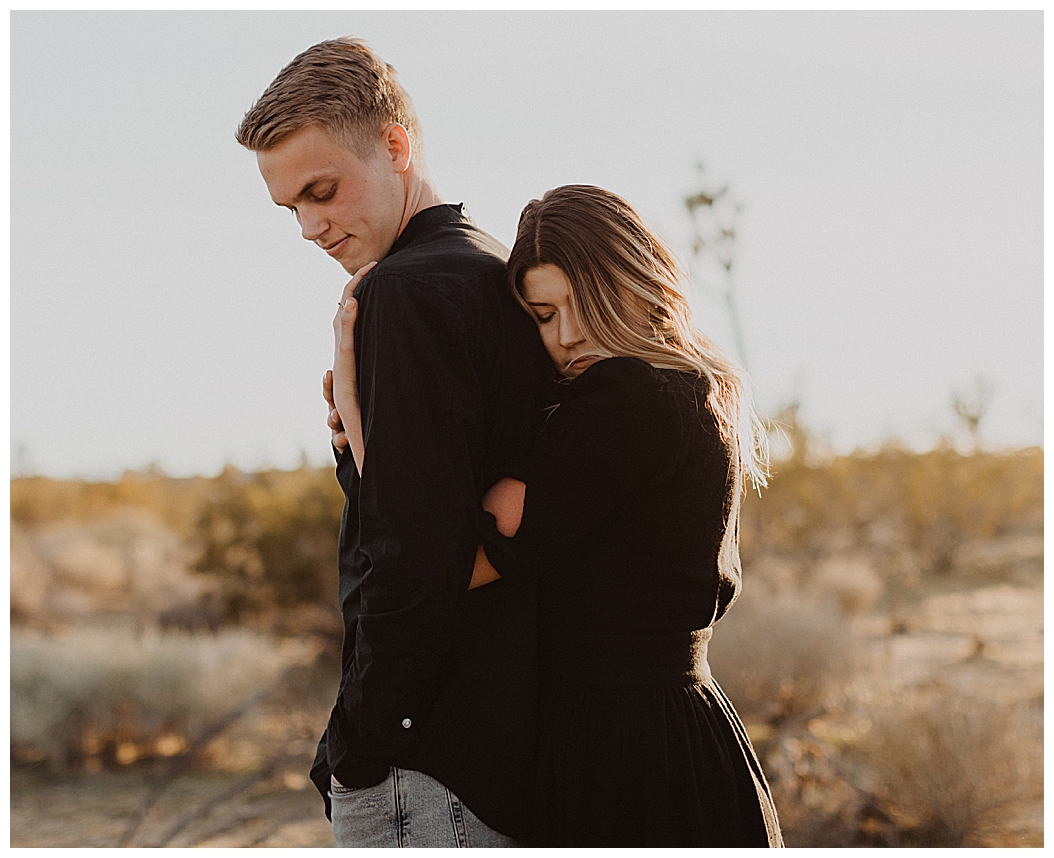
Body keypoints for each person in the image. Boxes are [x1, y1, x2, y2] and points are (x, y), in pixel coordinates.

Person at [332, 184, 784, 847]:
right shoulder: (697, 393)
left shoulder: (623, 402)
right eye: (543, 315)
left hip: (624, 757)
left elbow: (443, 556)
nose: (567, 336)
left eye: (586, 306)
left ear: (637, 282)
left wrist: (356, 399)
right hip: (680, 736)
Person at [235, 38, 552, 847]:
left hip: (430, 761)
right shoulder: (500, 272)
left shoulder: (404, 292)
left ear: (398, 145)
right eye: (290, 208)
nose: (310, 227)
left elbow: (411, 557)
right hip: (522, 741)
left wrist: (356, 749)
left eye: (324, 191)